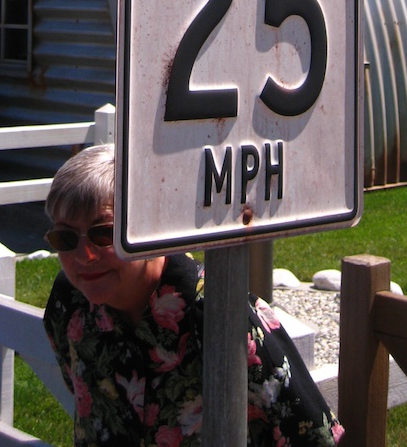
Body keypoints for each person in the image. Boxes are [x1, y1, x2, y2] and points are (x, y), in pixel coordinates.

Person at [42, 143, 343, 446]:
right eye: (64, 237)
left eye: (103, 233)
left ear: (149, 226)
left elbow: (313, 434)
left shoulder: (219, 312)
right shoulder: (69, 302)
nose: (84, 256)